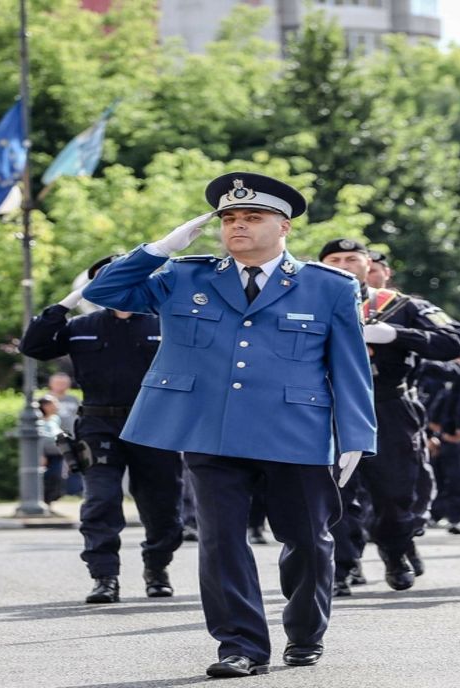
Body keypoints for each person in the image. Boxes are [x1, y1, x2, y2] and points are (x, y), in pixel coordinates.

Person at [83, 172, 376, 678]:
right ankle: (239, 645)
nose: (237, 226)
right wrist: (158, 249)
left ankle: (305, 632)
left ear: (283, 227)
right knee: (220, 540)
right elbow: (106, 289)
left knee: (307, 539)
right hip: (209, 430)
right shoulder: (184, 275)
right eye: (230, 219)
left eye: (252, 217)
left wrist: (356, 436)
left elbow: (349, 366)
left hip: (296, 431)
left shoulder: (328, 286)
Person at [20, 255, 185, 606]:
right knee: (101, 501)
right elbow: (32, 347)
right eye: (105, 279)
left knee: (162, 504)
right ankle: (104, 577)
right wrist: (64, 304)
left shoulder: (164, 322)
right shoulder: (82, 325)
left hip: (155, 424)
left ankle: (157, 569)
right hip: (98, 425)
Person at [319, 238, 460, 593]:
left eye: (352, 258)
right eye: (334, 259)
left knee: (396, 491)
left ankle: (394, 547)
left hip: (388, 405)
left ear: (367, 264)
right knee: (332, 492)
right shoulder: (305, 302)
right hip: (328, 406)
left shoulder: (401, 306)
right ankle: (340, 567)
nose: (343, 264)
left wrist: (398, 335)